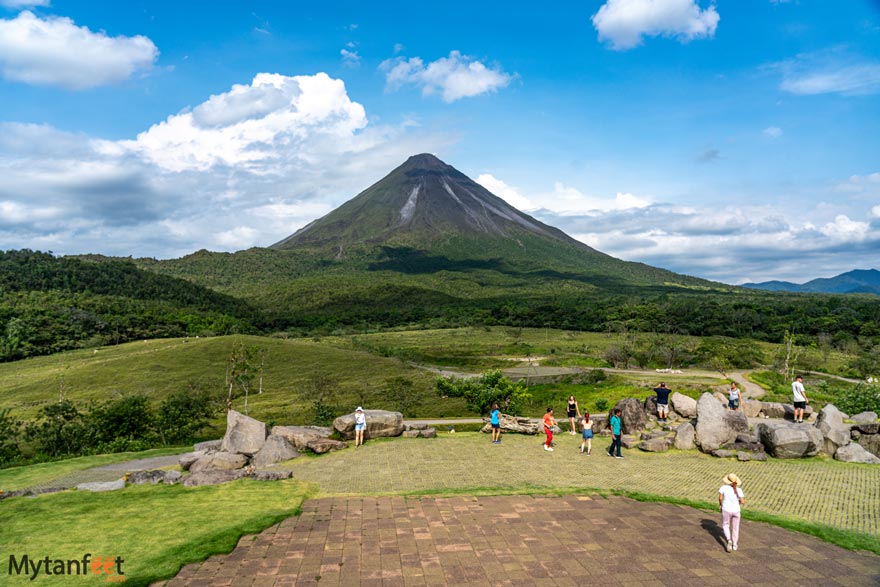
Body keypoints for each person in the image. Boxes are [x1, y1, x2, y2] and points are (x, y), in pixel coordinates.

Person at [718, 473, 745, 552]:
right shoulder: (739, 490)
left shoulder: (723, 488)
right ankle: (735, 544)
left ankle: (729, 539)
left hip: (726, 509)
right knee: (735, 528)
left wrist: (720, 505)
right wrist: (738, 501)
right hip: (736, 511)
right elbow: (743, 501)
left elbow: (720, 498)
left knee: (725, 525)